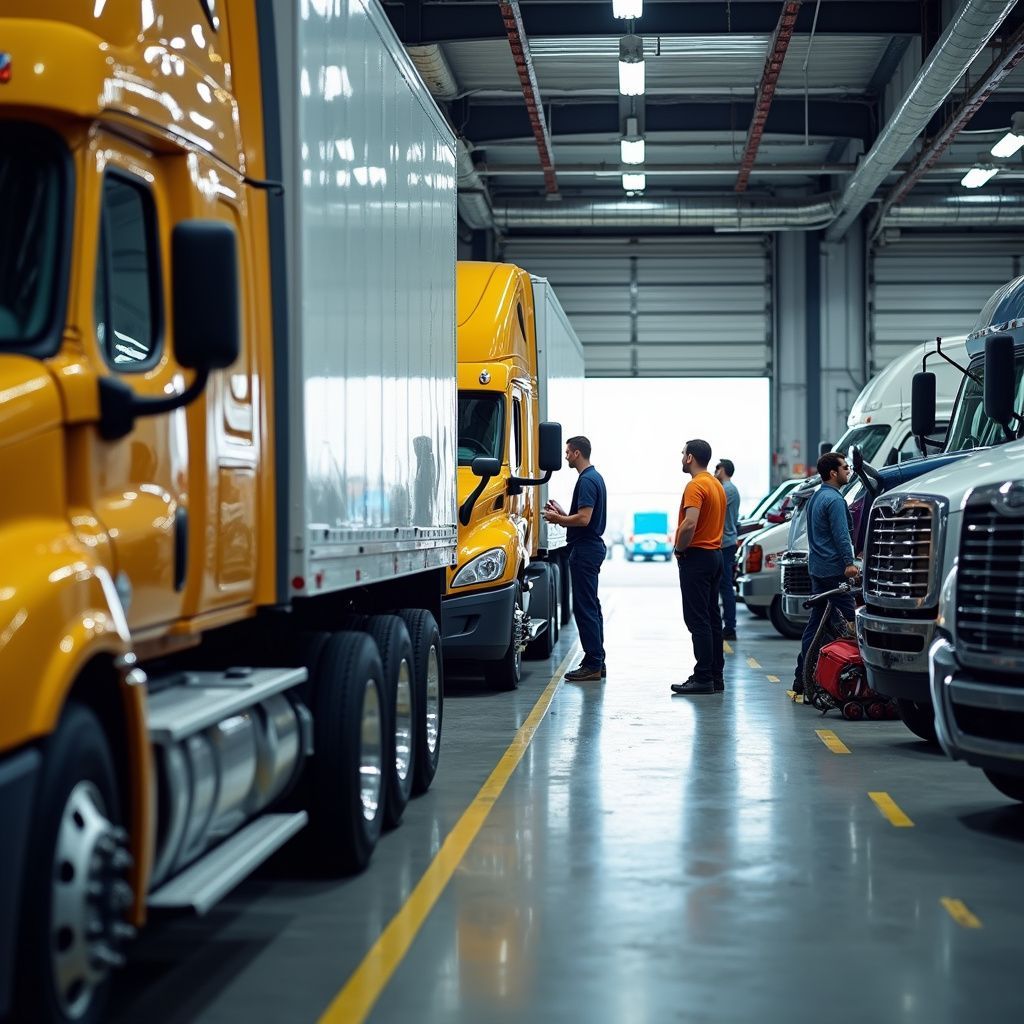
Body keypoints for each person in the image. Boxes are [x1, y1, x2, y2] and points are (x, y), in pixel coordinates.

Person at [793, 451, 859, 694]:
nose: (848, 471)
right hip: (834, 570)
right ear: (833, 473)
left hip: (818, 568)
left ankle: (802, 678)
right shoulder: (835, 500)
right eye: (845, 467)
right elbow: (841, 535)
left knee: (815, 625)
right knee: (855, 619)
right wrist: (849, 563)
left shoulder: (816, 496)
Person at [543, 436, 607, 681]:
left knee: (585, 608)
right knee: (592, 605)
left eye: (568, 452)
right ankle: (597, 660)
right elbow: (580, 516)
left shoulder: (587, 480)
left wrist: (558, 519)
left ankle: (593, 663)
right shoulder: (593, 478)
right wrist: (563, 512)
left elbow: (584, 519)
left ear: (578, 453)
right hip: (590, 547)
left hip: (586, 549)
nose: (566, 456)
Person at [670, 439, 727, 696]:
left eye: (683, 453)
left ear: (690, 457)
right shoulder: (716, 485)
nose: (681, 457)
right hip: (715, 556)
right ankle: (716, 675)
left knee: (698, 619)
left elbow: (690, 524)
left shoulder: (696, 485)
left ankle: (702, 677)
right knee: (713, 618)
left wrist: (679, 549)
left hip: (697, 557)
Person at [715, 458, 740, 641]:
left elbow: (712, 505)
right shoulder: (726, 489)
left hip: (725, 544)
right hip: (724, 543)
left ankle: (730, 626)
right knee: (722, 585)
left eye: (717, 468)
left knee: (725, 586)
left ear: (724, 469)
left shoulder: (728, 489)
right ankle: (726, 624)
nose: (715, 471)